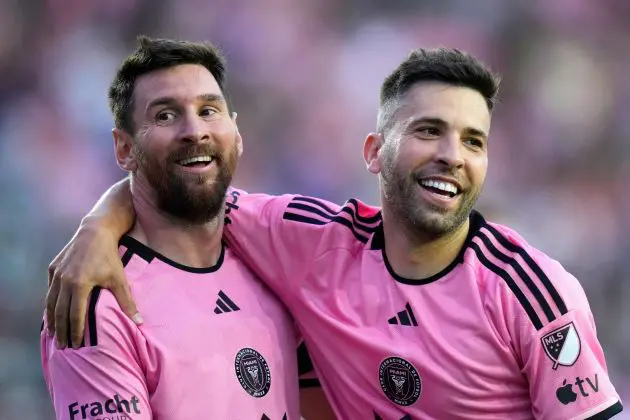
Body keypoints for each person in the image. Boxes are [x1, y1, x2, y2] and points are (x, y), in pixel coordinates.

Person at [46, 46, 623, 419]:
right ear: (375, 152)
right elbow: (188, 190)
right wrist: (99, 225)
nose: (452, 156)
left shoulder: (531, 291)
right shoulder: (309, 245)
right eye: (429, 131)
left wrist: (98, 223)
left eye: (474, 141)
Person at [40, 36, 332, 420]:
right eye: (165, 115)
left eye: (209, 110)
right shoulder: (99, 305)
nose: (194, 130)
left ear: (237, 133)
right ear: (124, 149)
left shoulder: (278, 252)